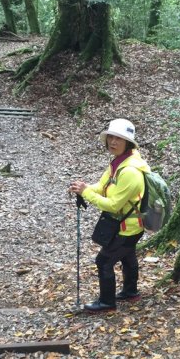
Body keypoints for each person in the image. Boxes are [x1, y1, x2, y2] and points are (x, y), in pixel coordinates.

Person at [69, 119, 150, 312]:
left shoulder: (130, 171)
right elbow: (102, 187)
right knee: (127, 255)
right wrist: (85, 188)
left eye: (119, 139)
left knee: (104, 261)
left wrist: (86, 194)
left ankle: (107, 302)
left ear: (128, 143)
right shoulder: (119, 162)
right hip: (127, 225)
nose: (113, 142)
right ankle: (131, 292)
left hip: (128, 228)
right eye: (111, 137)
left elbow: (113, 205)